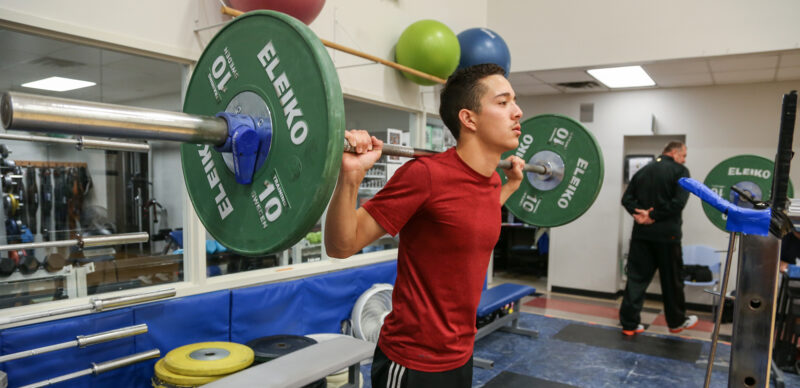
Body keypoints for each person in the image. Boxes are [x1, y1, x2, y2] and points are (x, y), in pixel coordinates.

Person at [324, 63, 525, 388]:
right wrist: (350, 177)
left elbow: (466, 220)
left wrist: (509, 187)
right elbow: (341, 246)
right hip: (412, 362)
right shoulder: (425, 176)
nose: (517, 112)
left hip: (461, 355)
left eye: (514, 101)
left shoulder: (489, 183)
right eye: (503, 102)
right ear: (468, 119)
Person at [619, 141, 698, 336]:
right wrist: (653, 216)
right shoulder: (681, 171)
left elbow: (626, 199)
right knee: (672, 281)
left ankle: (629, 325)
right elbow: (678, 203)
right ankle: (676, 323)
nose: (684, 159)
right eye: (684, 155)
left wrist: (639, 214)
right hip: (667, 236)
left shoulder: (643, 171)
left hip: (641, 235)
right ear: (674, 152)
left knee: (636, 279)